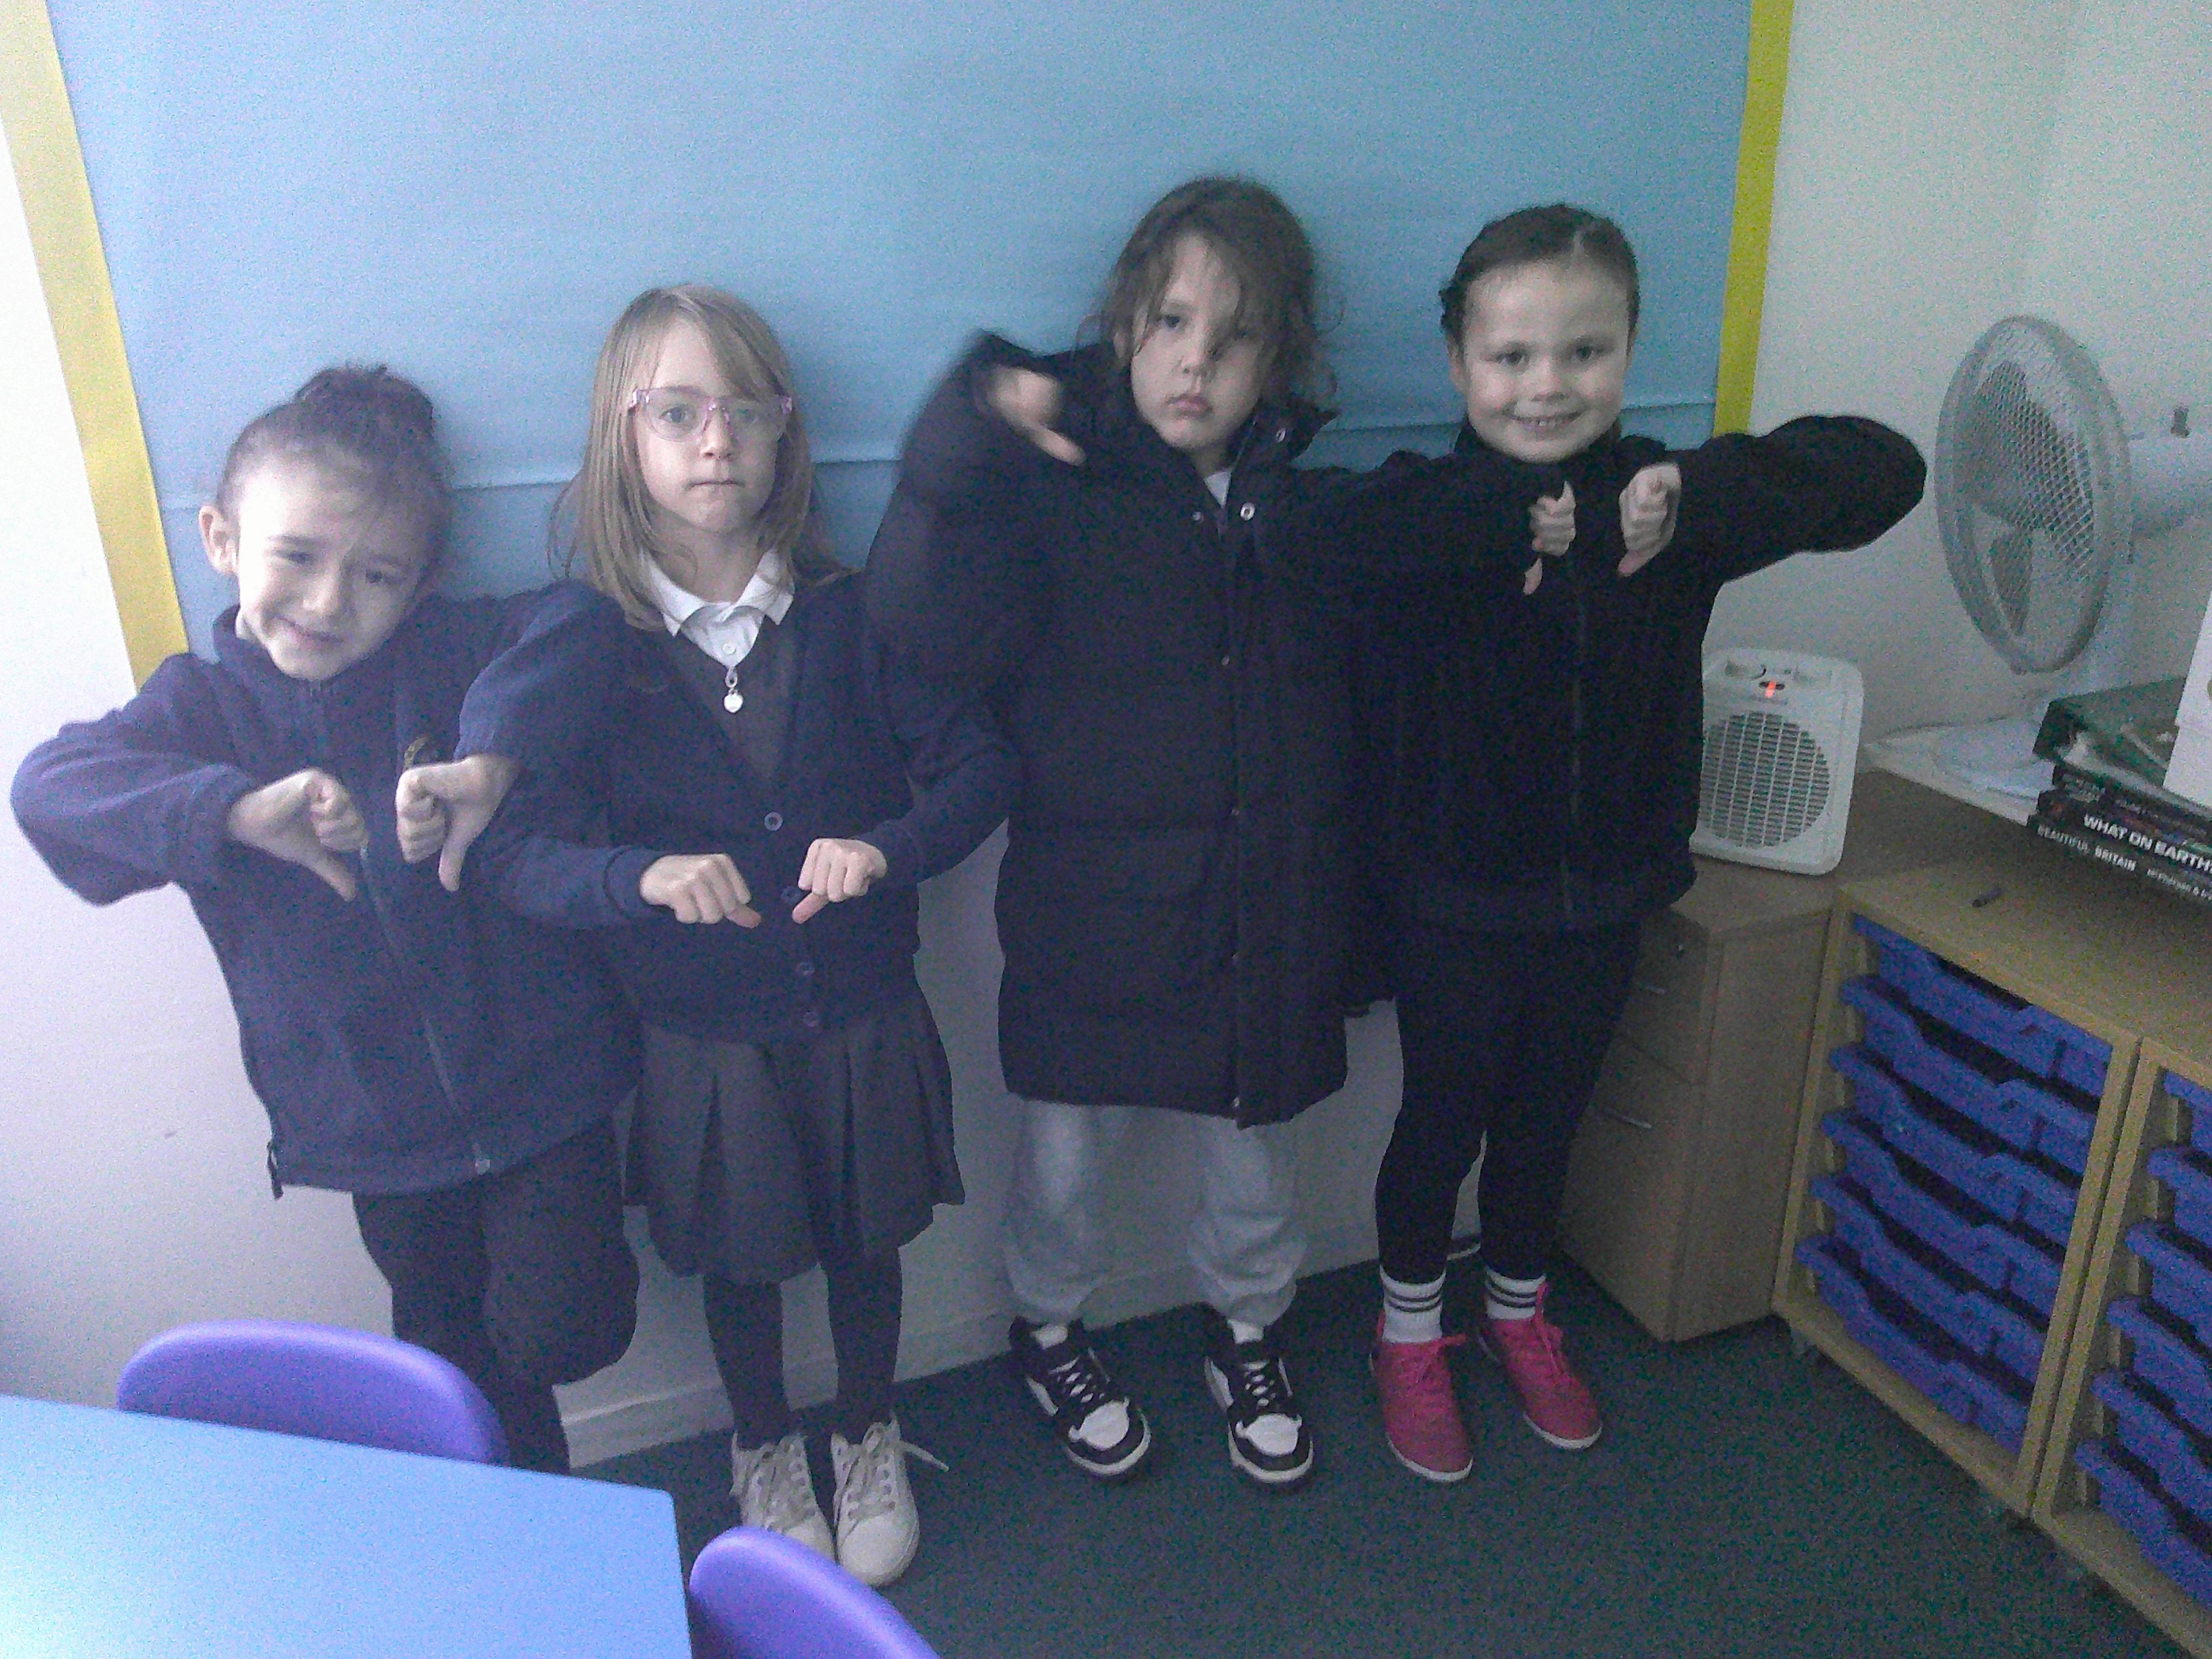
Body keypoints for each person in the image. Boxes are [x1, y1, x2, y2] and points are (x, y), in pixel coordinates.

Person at [866, 177, 1558, 1490]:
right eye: (1170, 322)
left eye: (1233, 337)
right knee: (1063, 1159)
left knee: (1255, 1165)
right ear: (1123, 325)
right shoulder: (1056, 497)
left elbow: (1415, 590)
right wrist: (963, 441)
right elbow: (919, 625)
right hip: (1089, 914)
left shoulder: (1299, 512)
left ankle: (1248, 1332)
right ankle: (1047, 1328)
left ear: (1276, 361)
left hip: (1263, 913)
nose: (1194, 362)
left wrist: (1522, 533)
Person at [416, 286, 1013, 1587]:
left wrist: (888, 848)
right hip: (697, 1032)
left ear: (786, 430)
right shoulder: (585, 644)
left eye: (746, 410)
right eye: (676, 412)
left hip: (858, 1003)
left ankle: (866, 1430)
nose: (715, 440)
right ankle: (761, 1446)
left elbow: (975, 770)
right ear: (620, 435)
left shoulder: (856, 612)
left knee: (867, 1240)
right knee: (741, 1262)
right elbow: (514, 855)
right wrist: (638, 879)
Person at [1353, 204, 1926, 1481]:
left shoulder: (1662, 509)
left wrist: (1697, 491)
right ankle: (1406, 1334)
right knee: (1440, 1125)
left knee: (1546, 1124)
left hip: (1605, 897)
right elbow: (1314, 542)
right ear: (1457, 362)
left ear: (1626, 351)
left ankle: (1516, 1313)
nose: (1546, 385)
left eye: (1584, 351)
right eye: (1509, 356)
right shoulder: (1426, 511)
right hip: (1454, 901)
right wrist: (1492, 522)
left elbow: (1883, 469)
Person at [10, 367, 641, 1474]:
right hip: (368, 1122)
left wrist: (491, 756)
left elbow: (582, 622)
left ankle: (517, 1459)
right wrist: (230, 812)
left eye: (375, 575)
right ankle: (514, 1513)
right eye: (296, 556)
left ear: (418, 584)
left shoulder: (450, 655)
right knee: (454, 1375)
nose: (327, 600)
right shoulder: (200, 709)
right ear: (221, 539)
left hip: (542, 1086)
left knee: (563, 1330)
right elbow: (48, 788)